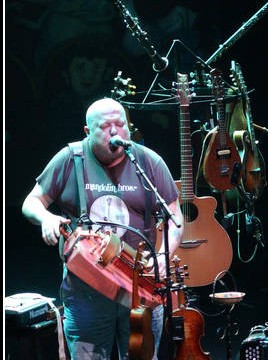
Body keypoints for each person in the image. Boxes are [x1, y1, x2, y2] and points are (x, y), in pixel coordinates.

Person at [21, 97, 184, 360]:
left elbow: (175, 217)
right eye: (105, 126)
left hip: (139, 286)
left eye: (120, 125)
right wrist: (46, 218)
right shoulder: (70, 158)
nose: (114, 132)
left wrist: (164, 254)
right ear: (87, 131)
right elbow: (32, 202)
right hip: (86, 290)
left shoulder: (148, 162)